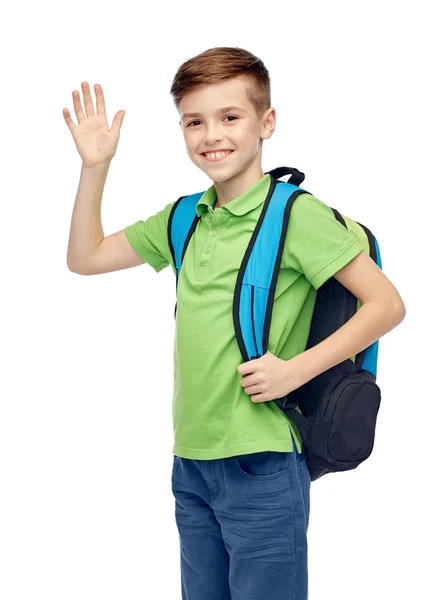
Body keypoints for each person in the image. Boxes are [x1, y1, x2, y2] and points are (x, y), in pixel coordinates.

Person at [64, 46, 406, 600]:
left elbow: (387, 305)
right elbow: (85, 257)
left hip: (263, 462)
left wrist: (294, 371)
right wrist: (95, 167)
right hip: (191, 463)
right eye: (193, 122)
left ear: (266, 122)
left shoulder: (297, 215)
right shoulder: (183, 217)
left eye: (230, 117)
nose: (210, 135)